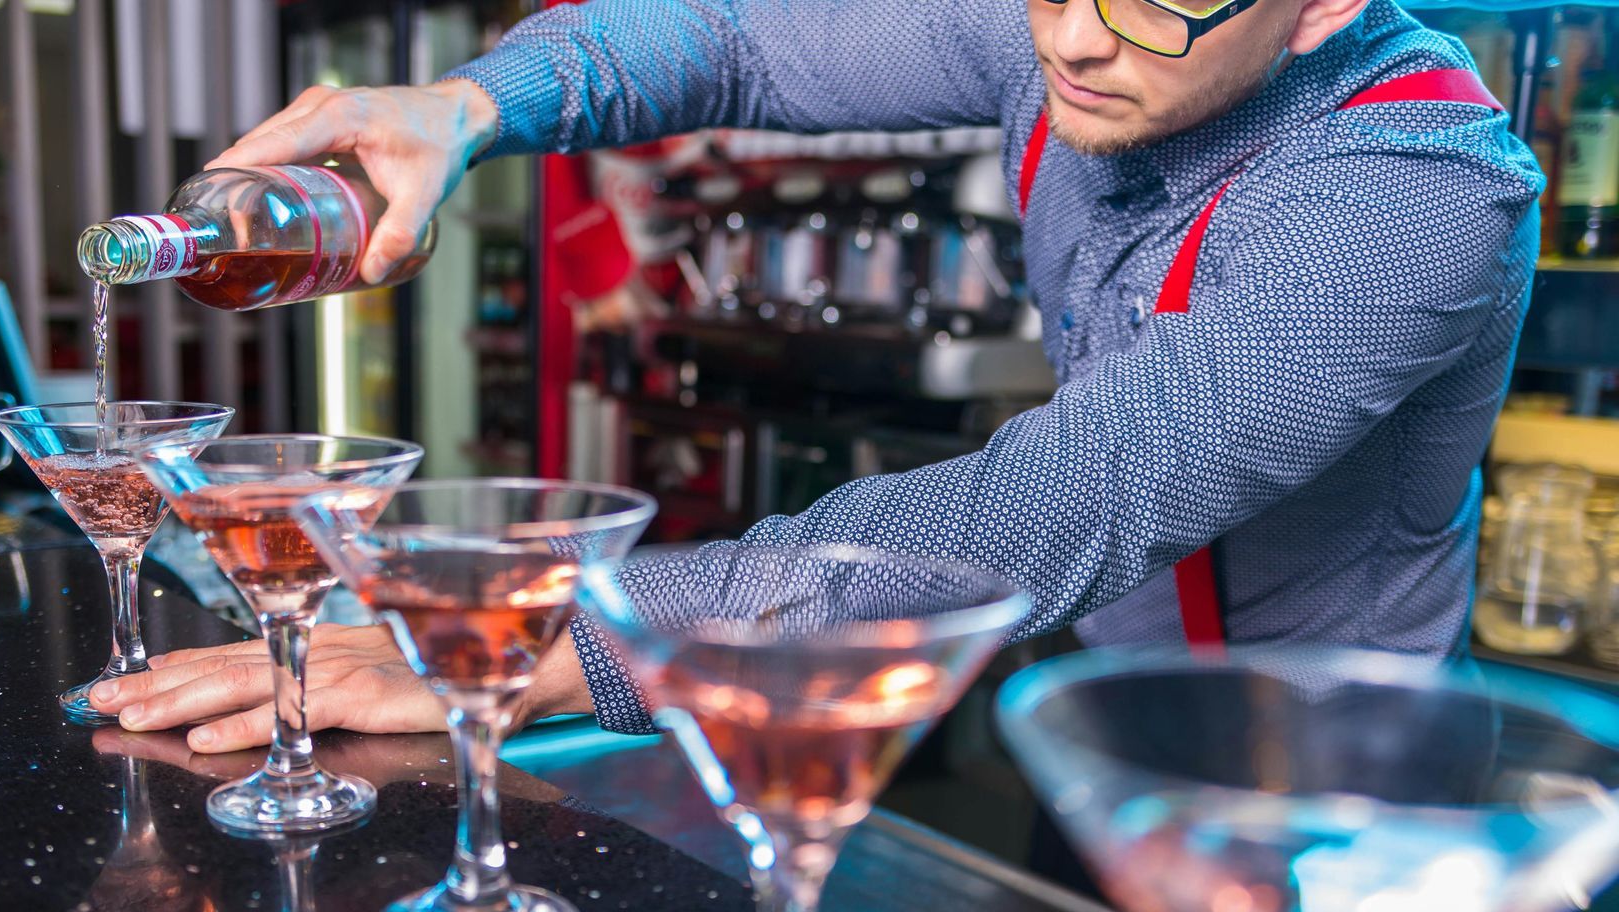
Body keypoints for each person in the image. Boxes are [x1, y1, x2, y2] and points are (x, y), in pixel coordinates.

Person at [88, 0, 1540, 751]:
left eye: (1168, 0)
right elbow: (732, 40)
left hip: (1324, 804)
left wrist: (564, 643)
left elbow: (1060, 503)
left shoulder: (1412, 196)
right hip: (1103, 725)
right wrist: (465, 104)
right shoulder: (1085, 28)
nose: (1079, 40)